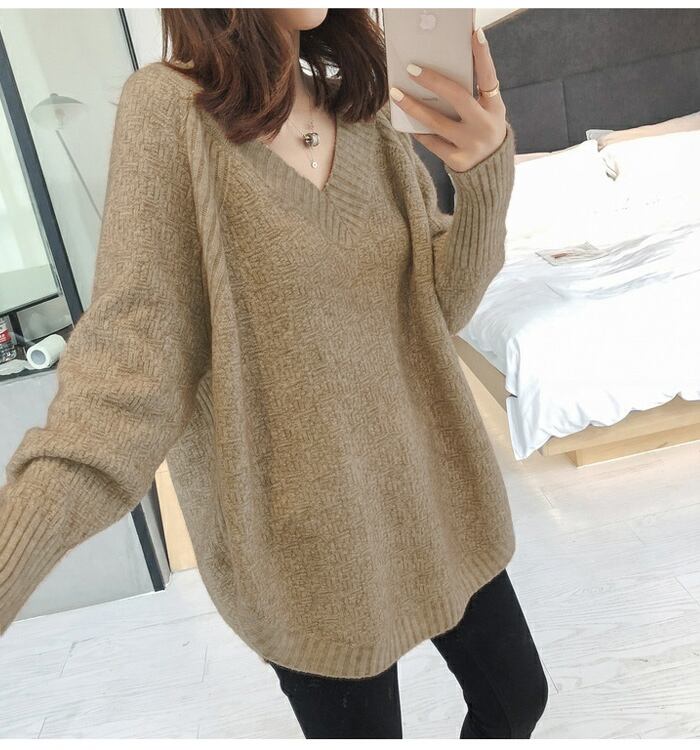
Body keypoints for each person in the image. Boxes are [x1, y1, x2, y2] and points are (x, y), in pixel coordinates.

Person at [0, 8, 547, 739]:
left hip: (437, 495)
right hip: (308, 556)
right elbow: (128, 378)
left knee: (518, 699)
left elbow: (435, 308)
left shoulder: (363, 115)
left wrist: (482, 176)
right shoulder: (169, 112)